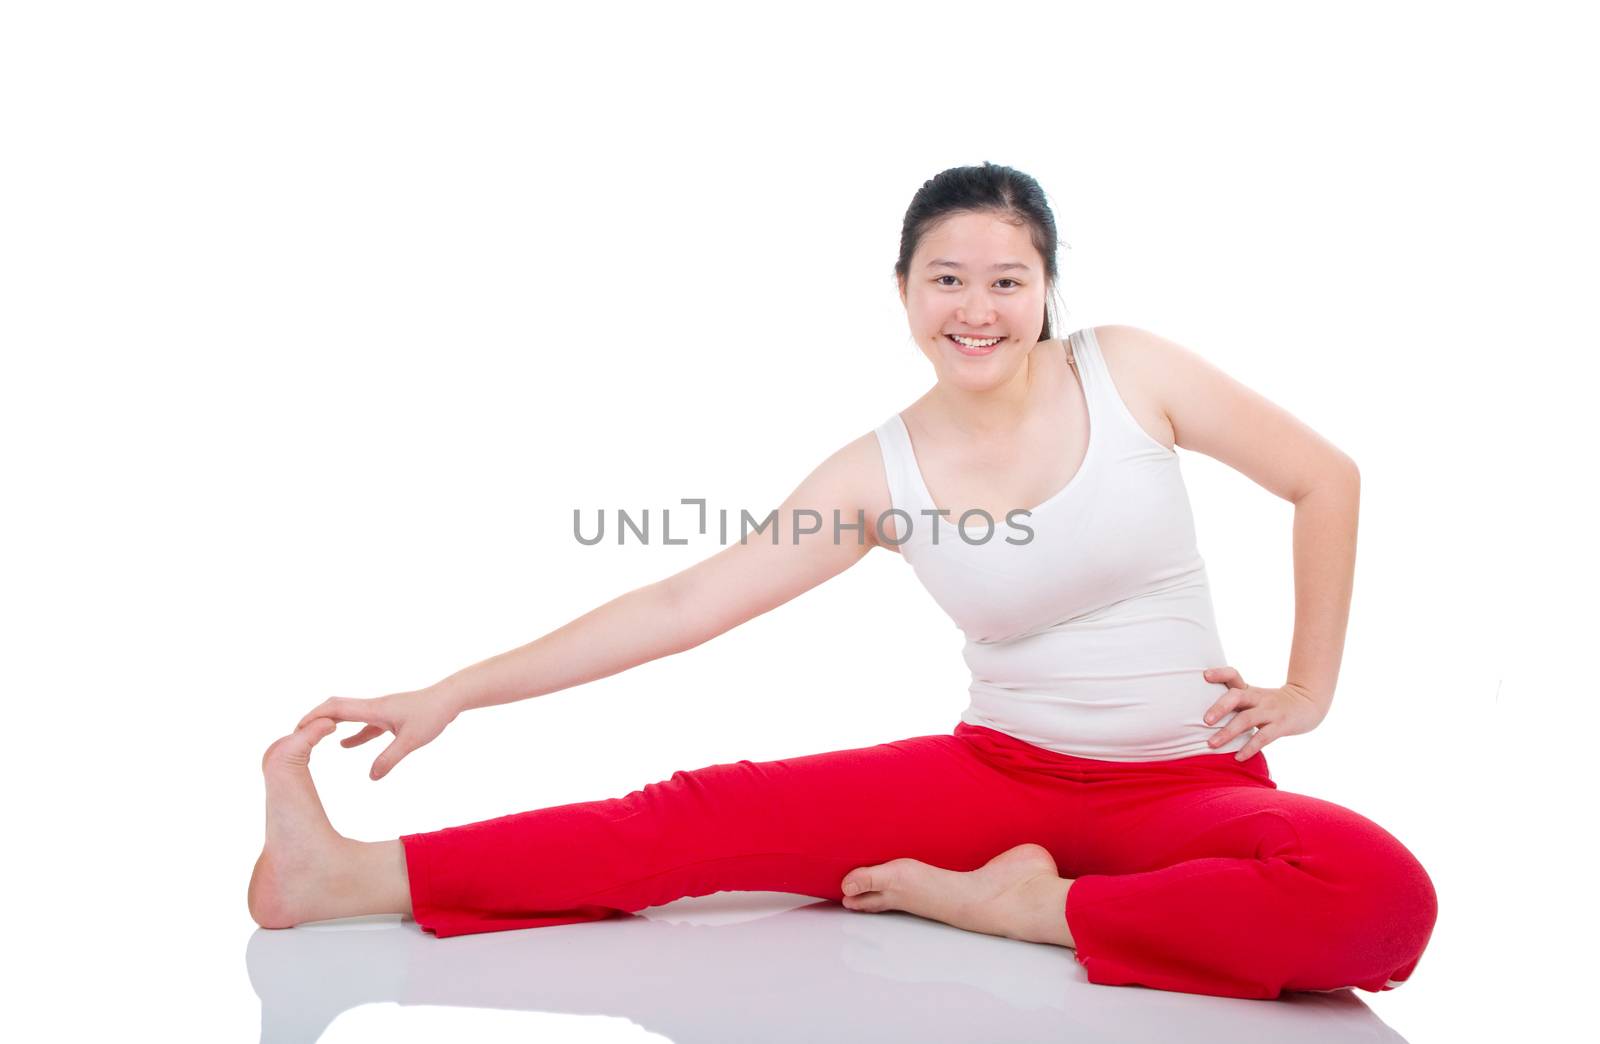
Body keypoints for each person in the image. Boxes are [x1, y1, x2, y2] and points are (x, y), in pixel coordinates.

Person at [248, 162, 1438, 1000]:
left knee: (1379, 895)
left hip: (1189, 791)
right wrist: (457, 689)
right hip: (999, 781)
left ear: (1047, 289)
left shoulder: (1130, 372)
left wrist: (1308, 689)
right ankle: (346, 874)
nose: (977, 309)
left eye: (1007, 281)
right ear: (906, 289)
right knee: (699, 816)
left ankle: (1027, 909)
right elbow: (682, 605)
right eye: (947, 279)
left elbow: (1325, 479)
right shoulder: (880, 472)